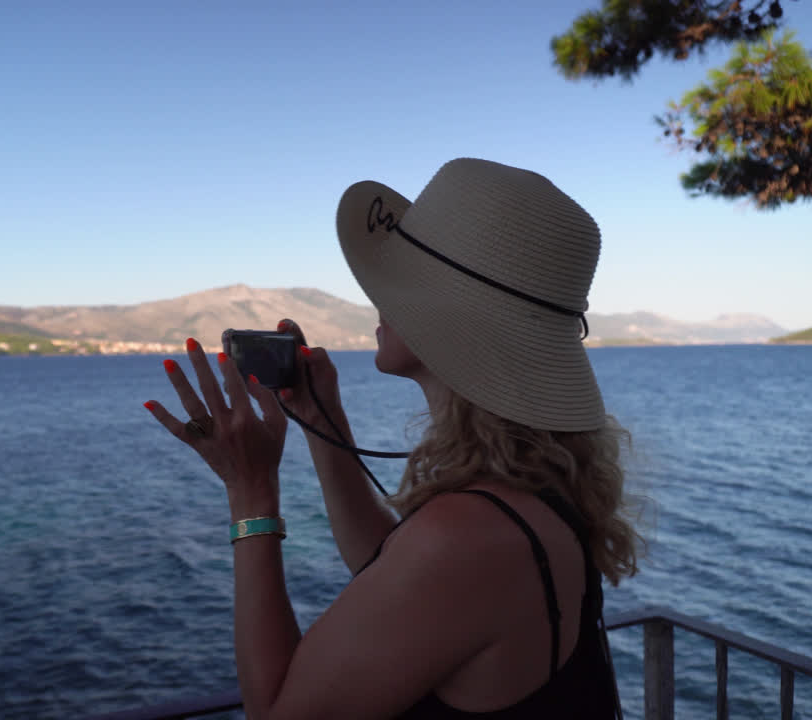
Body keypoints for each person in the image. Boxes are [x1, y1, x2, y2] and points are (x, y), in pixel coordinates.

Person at [142, 158, 641, 719]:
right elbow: (392, 570)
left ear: (451, 322)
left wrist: (250, 492)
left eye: (401, 285)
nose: (378, 302)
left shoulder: (467, 536)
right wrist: (324, 422)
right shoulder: (528, 495)